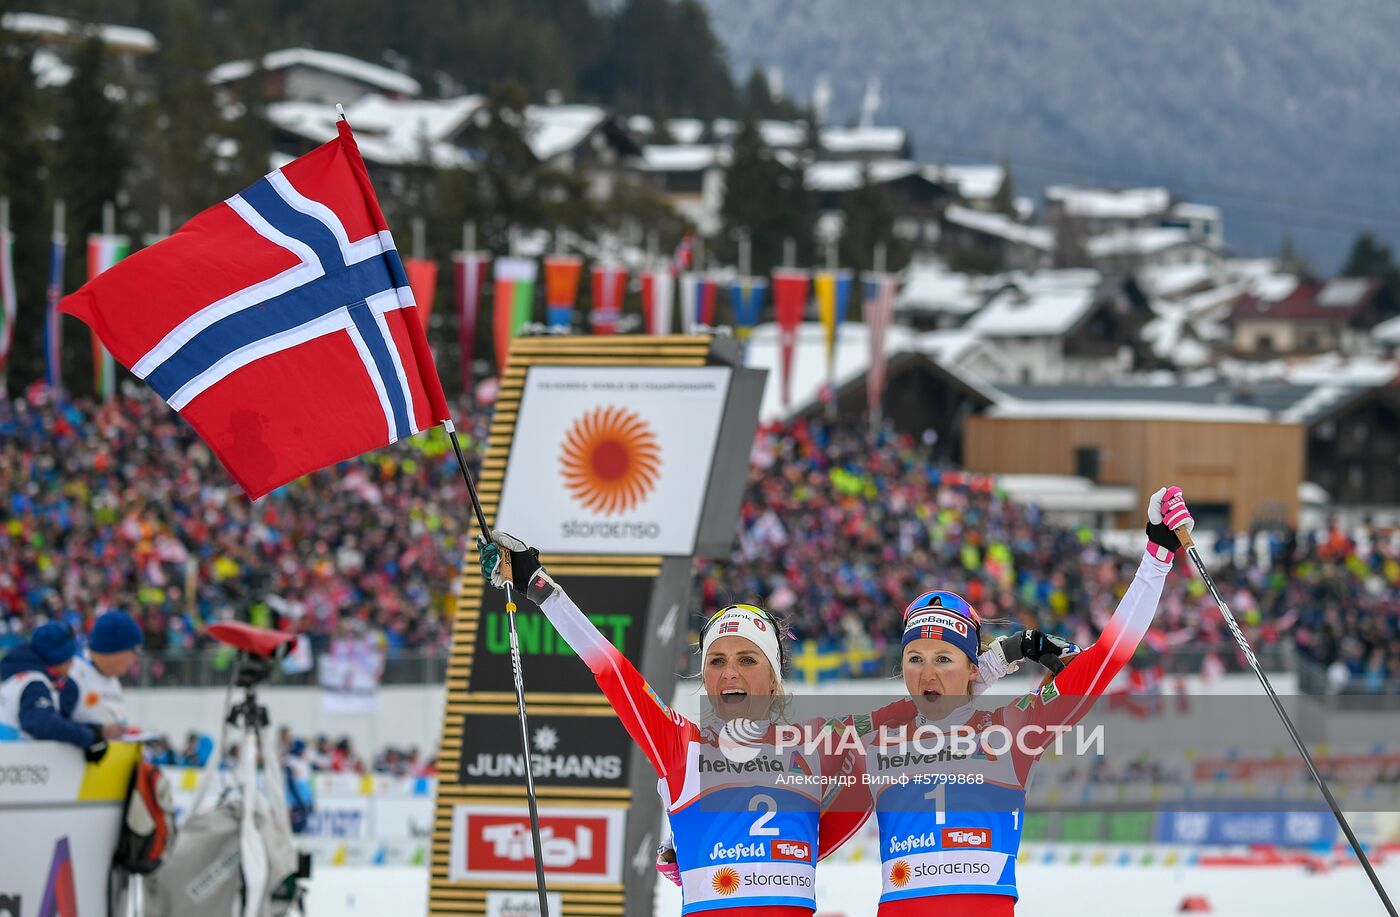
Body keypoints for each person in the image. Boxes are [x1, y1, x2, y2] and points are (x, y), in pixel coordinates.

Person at [477, 532, 1051, 915]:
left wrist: (1003, 654)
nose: (730, 674)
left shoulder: (821, 744)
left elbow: (933, 699)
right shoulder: (681, 745)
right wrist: (539, 587)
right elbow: (613, 671)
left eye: (748, 659)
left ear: (774, 678)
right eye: (717, 662)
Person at [853, 485, 1193, 916]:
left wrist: (1157, 556)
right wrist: (1002, 657)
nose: (927, 671)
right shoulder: (876, 734)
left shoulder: (1013, 730)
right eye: (914, 658)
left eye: (944, 658)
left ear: (971, 667)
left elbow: (1106, 658)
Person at [0, 622, 121, 761]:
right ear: (57, 659)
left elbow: (49, 719)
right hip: (14, 768)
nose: (72, 664)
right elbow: (43, 724)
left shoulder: (19, 677)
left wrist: (95, 731)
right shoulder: (34, 683)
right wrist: (89, 738)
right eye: (69, 658)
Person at [69, 610, 144, 729]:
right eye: (134, 651)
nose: (136, 659)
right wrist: (99, 734)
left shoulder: (112, 679)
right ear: (117, 650)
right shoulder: (73, 673)